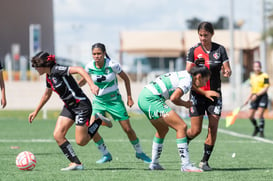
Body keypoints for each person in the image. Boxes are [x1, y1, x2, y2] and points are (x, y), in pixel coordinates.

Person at [28, 51, 112, 171]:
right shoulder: (49, 76)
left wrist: (92, 85)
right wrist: (36, 111)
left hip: (81, 105)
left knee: (81, 141)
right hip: (69, 107)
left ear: (44, 64)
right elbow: (47, 94)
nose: (35, 69)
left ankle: (97, 121)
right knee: (58, 135)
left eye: (37, 66)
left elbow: (79, 69)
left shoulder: (57, 69)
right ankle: (76, 163)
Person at [78, 43, 151, 164]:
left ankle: (140, 152)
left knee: (127, 129)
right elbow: (83, 81)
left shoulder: (112, 65)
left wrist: (129, 97)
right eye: (94, 54)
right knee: (91, 129)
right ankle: (105, 154)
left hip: (114, 101)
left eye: (99, 54)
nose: (96, 56)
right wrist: (72, 90)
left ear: (104, 53)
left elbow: (126, 79)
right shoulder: (89, 66)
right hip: (98, 102)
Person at [138, 65, 211, 172]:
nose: (205, 84)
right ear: (198, 76)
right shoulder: (187, 81)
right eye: (206, 80)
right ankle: (186, 165)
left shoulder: (186, 75)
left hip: (143, 97)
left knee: (162, 130)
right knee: (182, 126)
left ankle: (154, 164)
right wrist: (185, 104)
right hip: (151, 99)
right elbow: (174, 98)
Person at [185, 21, 232, 171]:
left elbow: (227, 69)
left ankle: (204, 162)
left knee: (213, 128)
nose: (203, 38)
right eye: (200, 35)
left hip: (215, 95)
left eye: (206, 35)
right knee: (195, 131)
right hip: (197, 94)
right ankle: (183, 142)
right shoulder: (193, 51)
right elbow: (187, 74)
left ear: (212, 34)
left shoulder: (220, 50)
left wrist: (227, 72)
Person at [243, 61, 269, 137]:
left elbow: (266, 88)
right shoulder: (252, 76)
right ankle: (256, 128)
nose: (257, 68)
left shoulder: (265, 75)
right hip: (254, 96)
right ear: (253, 68)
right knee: (250, 116)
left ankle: (261, 131)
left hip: (262, 96)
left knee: (260, 113)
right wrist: (247, 99)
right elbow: (252, 89)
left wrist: (257, 95)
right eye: (255, 67)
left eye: (258, 67)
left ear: (260, 67)